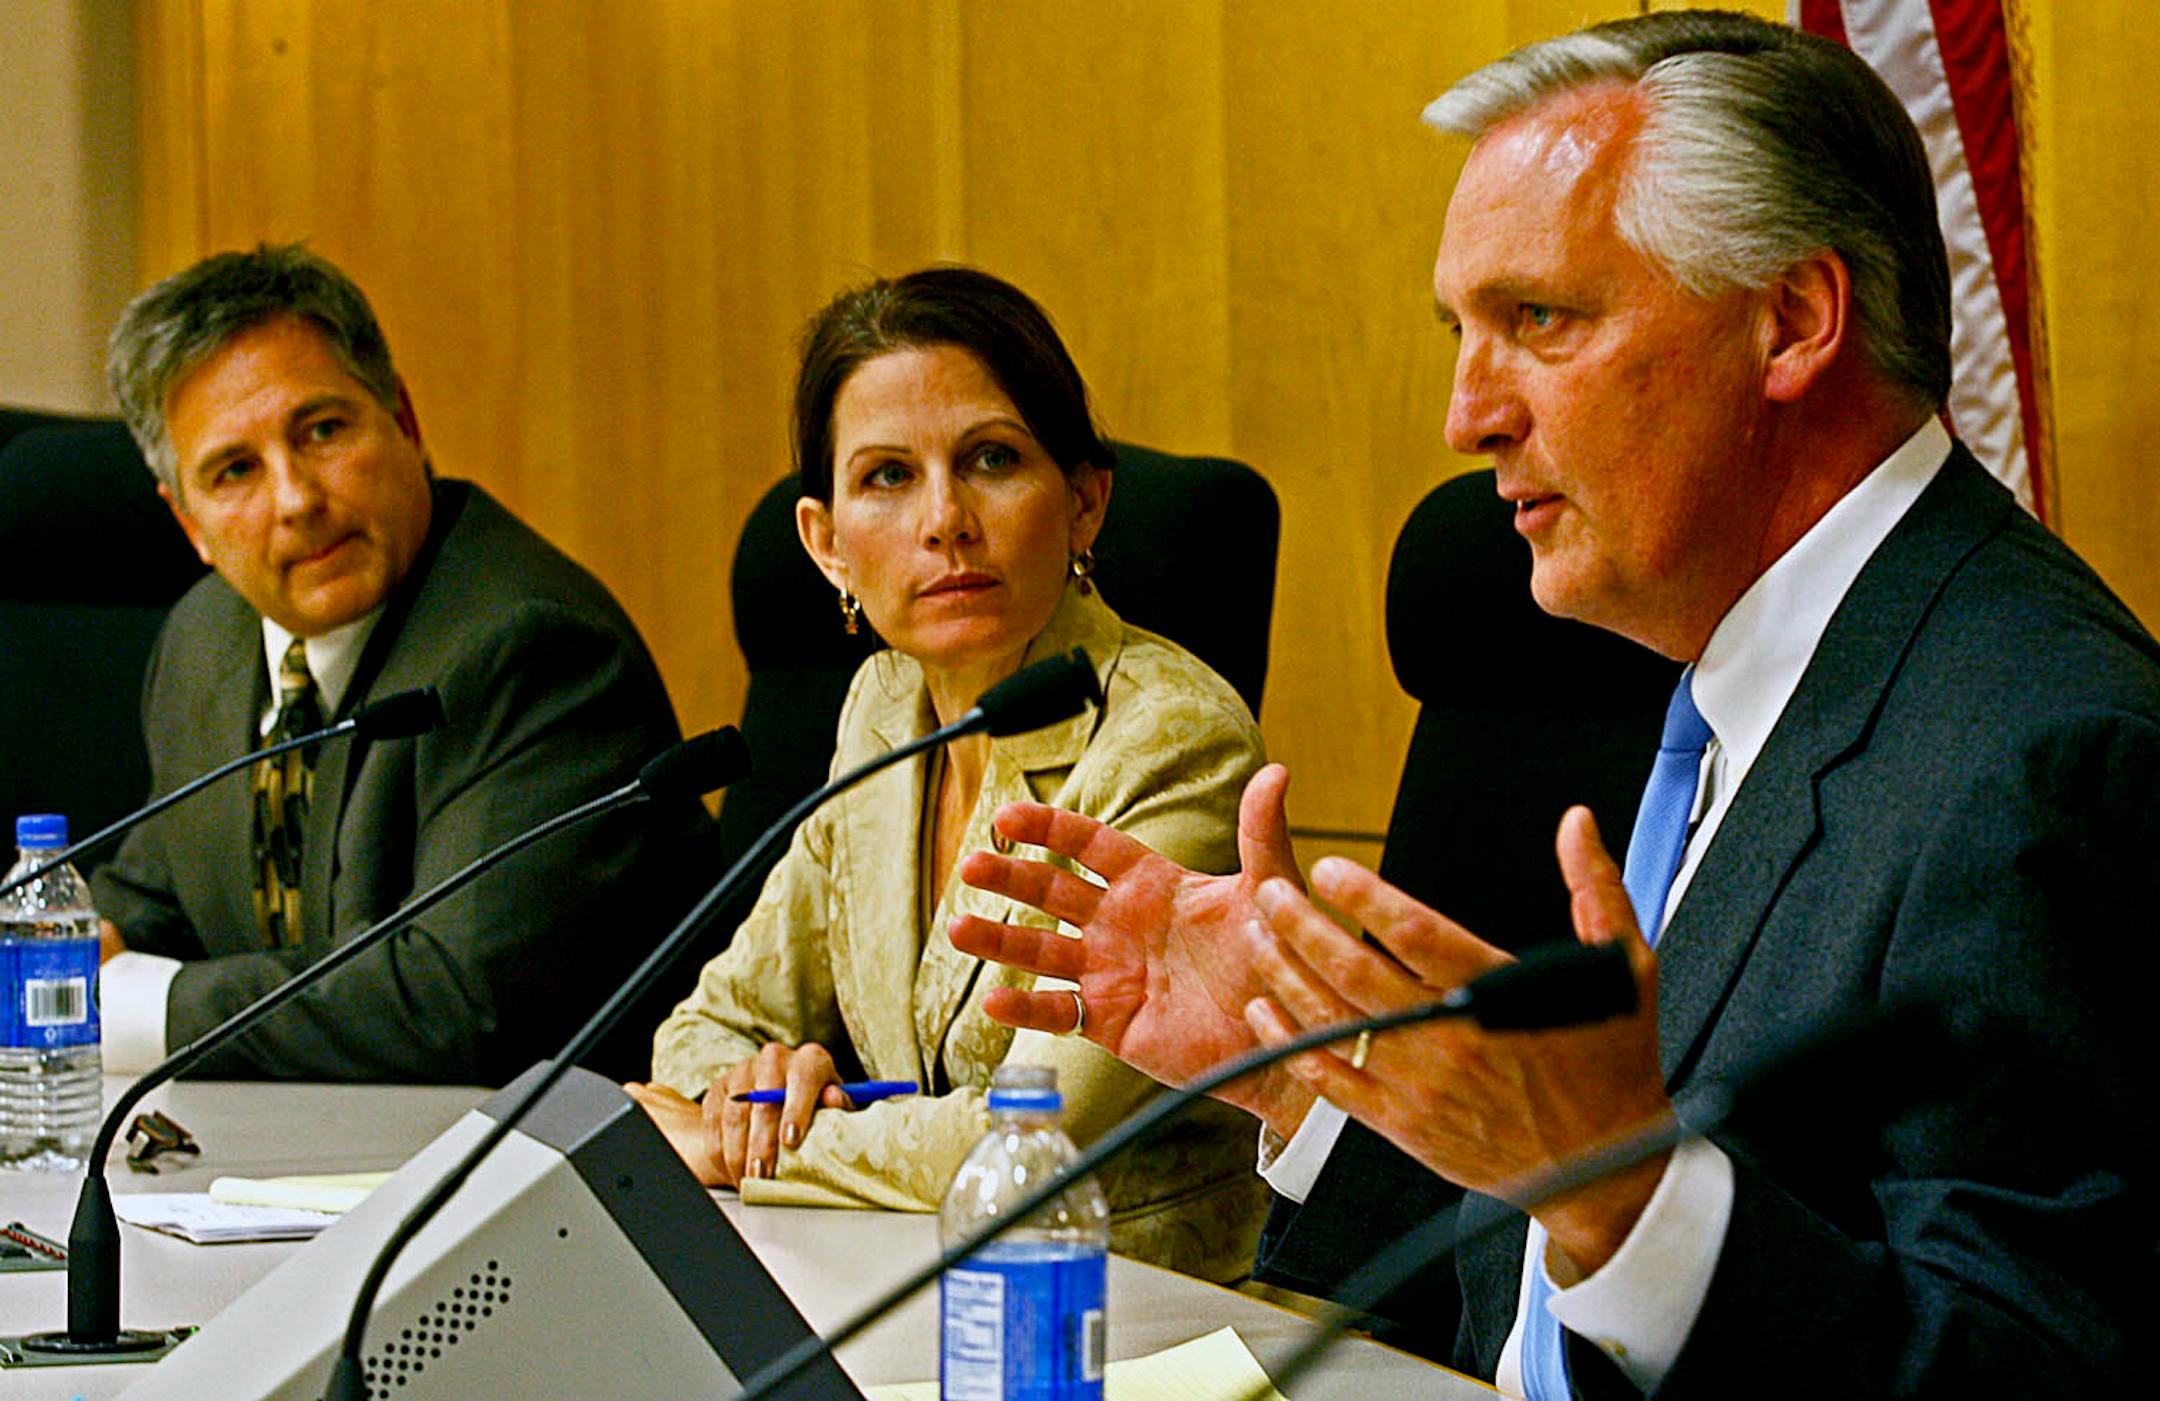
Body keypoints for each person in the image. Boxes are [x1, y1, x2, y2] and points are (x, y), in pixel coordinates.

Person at [952, 11, 2158, 1396]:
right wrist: (1304, 1082)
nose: (1468, 413)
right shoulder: (1757, 676)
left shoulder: (2043, 753)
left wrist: (1626, 1203)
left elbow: (2029, 1369)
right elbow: (1556, 1297)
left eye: (1539, 321)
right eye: (1462, 331)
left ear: (1794, 321)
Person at [626, 267, 1271, 1282]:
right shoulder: (885, 712)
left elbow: (1023, 1147)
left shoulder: (1172, 741)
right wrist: (759, 1087)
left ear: (1086, 501)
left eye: (991, 460)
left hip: (1133, 1311)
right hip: (884, 1273)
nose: (945, 520)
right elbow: (708, 1032)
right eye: (887, 476)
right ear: (826, 543)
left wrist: (751, 1144)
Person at [92, 243, 712, 1084]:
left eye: (322, 430)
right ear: (189, 524)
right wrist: (61, 948)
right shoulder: (206, 641)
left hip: (543, 1186)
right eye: (235, 470)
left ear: (405, 422)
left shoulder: (533, 647)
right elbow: (157, 904)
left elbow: (456, 1003)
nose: (298, 500)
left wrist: (144, 1012)